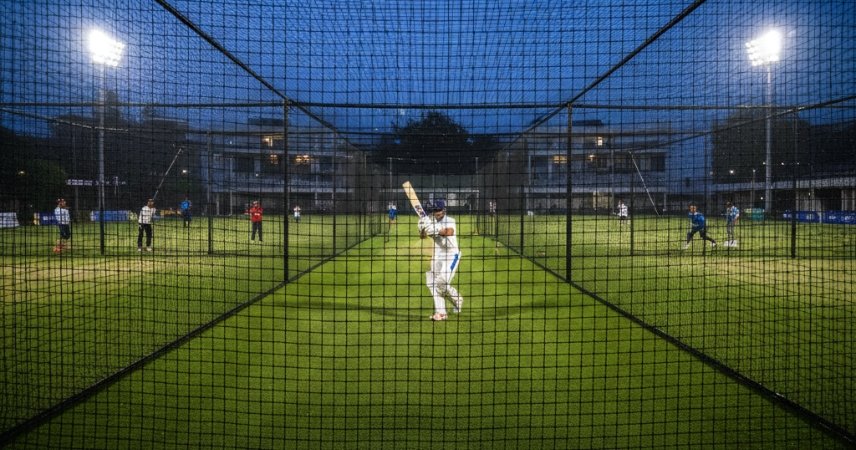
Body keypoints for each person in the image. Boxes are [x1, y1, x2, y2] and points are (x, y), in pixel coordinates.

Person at [418, 199, 463, 321]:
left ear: (443, 210)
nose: (437, 212)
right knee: (431, 282)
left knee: (441, 282)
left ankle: (457, 299)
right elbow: (422, 236)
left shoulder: (449, 220)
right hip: (438, 255)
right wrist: (423, 227)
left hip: (451, 254)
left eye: (439, 210)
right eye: (434, 210)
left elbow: (449, 232)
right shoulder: (428, 221)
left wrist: (435, 229)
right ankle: (441, 312)